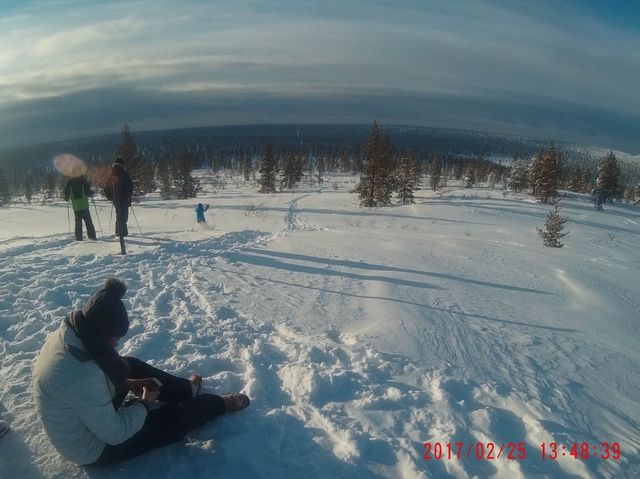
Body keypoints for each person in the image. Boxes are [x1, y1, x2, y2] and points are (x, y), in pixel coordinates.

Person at [32, 277, 249, 467]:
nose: (117, 343)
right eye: (115, 338)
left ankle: (187, 389)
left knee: (128, 365)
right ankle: (219, 404)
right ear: (101, 335)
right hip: (94, 447)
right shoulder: (80, 377)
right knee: (170, 422)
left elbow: (90, 381)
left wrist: (126, 382)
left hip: (85, 413)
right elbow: (114, 433)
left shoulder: (73, 333)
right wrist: (143, 405)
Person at [104, 157, 134, 237]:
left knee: (119, 214)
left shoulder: (112, 175)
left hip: (115, 199)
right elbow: (130, 186)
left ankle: (119, 232)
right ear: (122, 165)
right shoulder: (124, 174)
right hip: (124, 199)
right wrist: (129, 196)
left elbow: (106, 188)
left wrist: (110, 197)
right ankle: (122, 233)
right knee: (124, 216)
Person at [64, 172, 97, 241]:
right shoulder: (83, 181)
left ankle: (78, 237)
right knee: (88, 222)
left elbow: (66, 194)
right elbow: (88, 193)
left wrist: (66, 197)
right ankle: (92, 236)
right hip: (84, 205)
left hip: (76, 206)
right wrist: (91, 193)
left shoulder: (69, 182)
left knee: (78, 223)